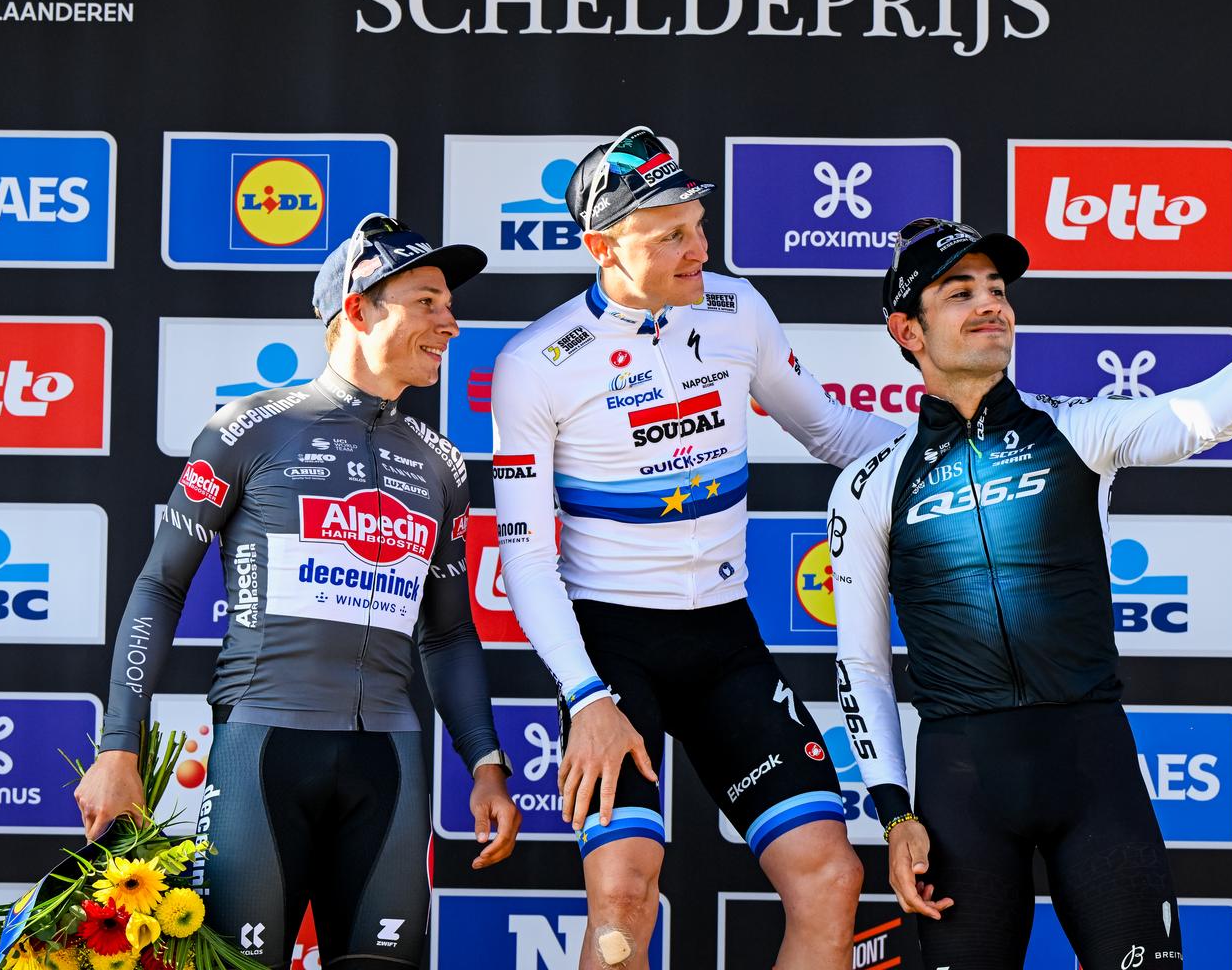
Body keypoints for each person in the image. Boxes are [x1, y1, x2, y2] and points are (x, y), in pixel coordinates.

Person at [831, 217, 1232, 969]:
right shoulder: (869, 484)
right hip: (962, 786)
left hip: (1090, 768)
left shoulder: (1077, 428)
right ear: (908, 330)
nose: (991, 304)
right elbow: (862, 666)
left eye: (998, 289)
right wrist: (894, 813)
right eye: (960, 292)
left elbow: (1202, 415)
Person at [489, 127, 904, 970]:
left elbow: (831, 431)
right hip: (611, 649)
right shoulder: (536, 362)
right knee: (621, 899)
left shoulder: (736, 309)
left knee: (830, 878)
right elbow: (527, 559)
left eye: (698, 226)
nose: (699, 249)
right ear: (602, 247)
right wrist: (585, 698)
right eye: (670, 235)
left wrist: (953, 449)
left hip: (723, 638)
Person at [75, 213, 522, 968]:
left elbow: (447, 633)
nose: (451, 323)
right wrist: (118, 746)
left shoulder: (441, 463)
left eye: (449, 305)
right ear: (357, 310)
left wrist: (485, 763)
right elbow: (159, 585)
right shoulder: (249, 429)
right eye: (427, 302)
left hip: (390, 760)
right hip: (263, 751)